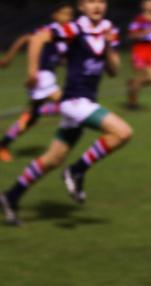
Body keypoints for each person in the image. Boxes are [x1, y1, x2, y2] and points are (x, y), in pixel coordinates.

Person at [0, 0, 133, 226]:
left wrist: (109, 47)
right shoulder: (74, 28)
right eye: (90, 1)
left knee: (52, 159)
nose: (96, 5)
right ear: (81, 7)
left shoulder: (109, 29)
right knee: (122, 132)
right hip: (74, 101)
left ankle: (10, 197)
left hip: (85, 103)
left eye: (100, 1)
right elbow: (38, 39)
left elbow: (114, 71)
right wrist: (33, 71)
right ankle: (76, 171)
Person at [0, 3, 74, 162]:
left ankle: (3, 144)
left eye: (70, 14)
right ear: (55, 16)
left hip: (48, 77)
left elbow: (59, 56)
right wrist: (11, 60)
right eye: (64, 14)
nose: (68, 17)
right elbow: (26, 39)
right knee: (69, 103)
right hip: (42, 77)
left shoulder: (64, 34)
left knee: (30, 118)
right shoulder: (48, 30)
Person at [126, 0, 151, 109]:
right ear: (143, 5)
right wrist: (145, 32)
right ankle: (133, 104)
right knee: (141, 76)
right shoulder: (138, 19)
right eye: (149, 2)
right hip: (139, 50)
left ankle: (132, 84)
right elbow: (131, 36)